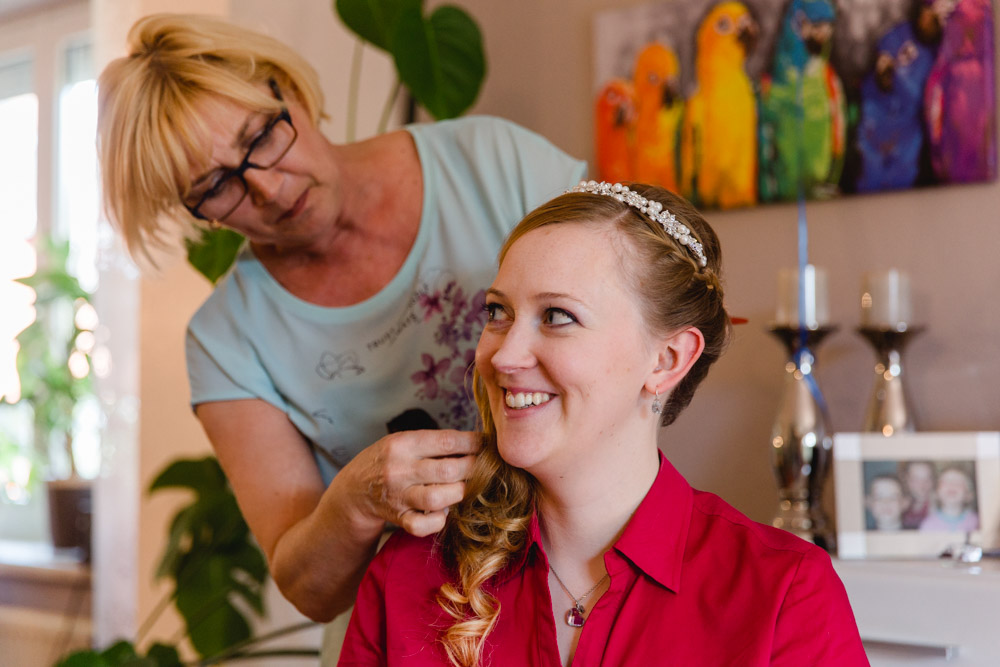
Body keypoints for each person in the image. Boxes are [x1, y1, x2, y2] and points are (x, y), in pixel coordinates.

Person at [95, 12, 586, 658]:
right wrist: (356, 499)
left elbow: (631, 316)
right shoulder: (226, 340)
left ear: (287, 90)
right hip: (409, 636)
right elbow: (309, 583)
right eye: (216, 187)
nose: (267, 189)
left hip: (584, 588)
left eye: (262, 135)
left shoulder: (493, 163)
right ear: (194, 212)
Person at [338, 181, 868, 666]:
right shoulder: (408, 575)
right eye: (498, 313)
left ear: (666, 360)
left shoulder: (784, 592)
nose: (503, 356)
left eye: (557, 316)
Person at [920, 466, 980, 532]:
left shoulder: (976, 522)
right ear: (936, 493)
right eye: (945, 482)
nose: (951, 485)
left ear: (968, 495)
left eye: (958, 482)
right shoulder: (928, 525)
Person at [900, 460, 935, 529]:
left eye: (928, 479)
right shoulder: (898, 503)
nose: (922, 485)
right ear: (906, 480)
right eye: (916, 480)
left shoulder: (938, 504)